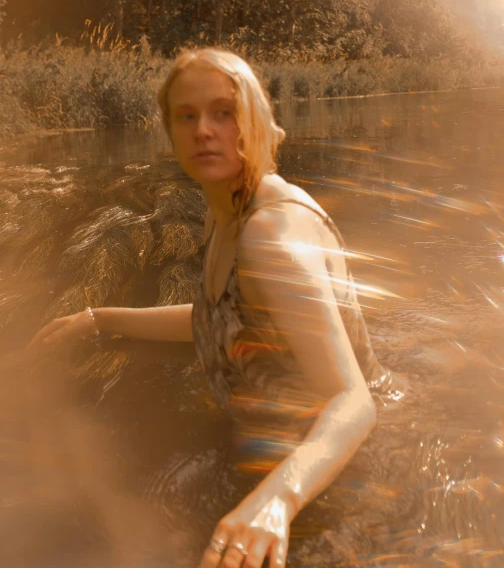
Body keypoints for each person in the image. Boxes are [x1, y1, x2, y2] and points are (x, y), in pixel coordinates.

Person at [30, 47, 395, 568]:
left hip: (342, 466)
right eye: (187, 115)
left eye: (224, 112)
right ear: (170, 131)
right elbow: (220, 319)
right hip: (276, 452)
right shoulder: (223, 214)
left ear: (259, 122)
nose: (204, 129)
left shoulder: (272, 234)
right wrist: (101, 319)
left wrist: (276, 501)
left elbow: (354, 401)